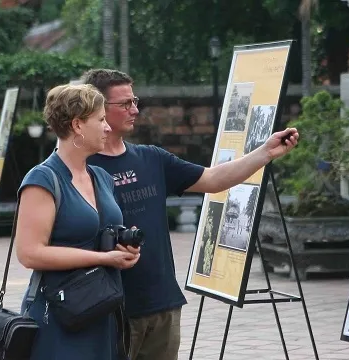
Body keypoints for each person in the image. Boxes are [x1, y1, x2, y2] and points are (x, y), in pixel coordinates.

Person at [83, 69, 299, 360]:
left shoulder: (151, 157)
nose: (134, 109)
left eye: (135, 101)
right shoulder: (79, 168)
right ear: (97, 109)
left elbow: (214, 179)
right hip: (109, 306)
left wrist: (265, 153)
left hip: (163, 303)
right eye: (124, 104)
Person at [15, 83, 141, 360]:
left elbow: (100, 234)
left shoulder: (101, 177)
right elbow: (29, 253)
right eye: (101, 120)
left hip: (101, 309)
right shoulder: (43, 179)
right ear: (77, 125)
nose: (108, 128)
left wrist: (123, 247)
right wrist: (104, 259)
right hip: (59, 314)